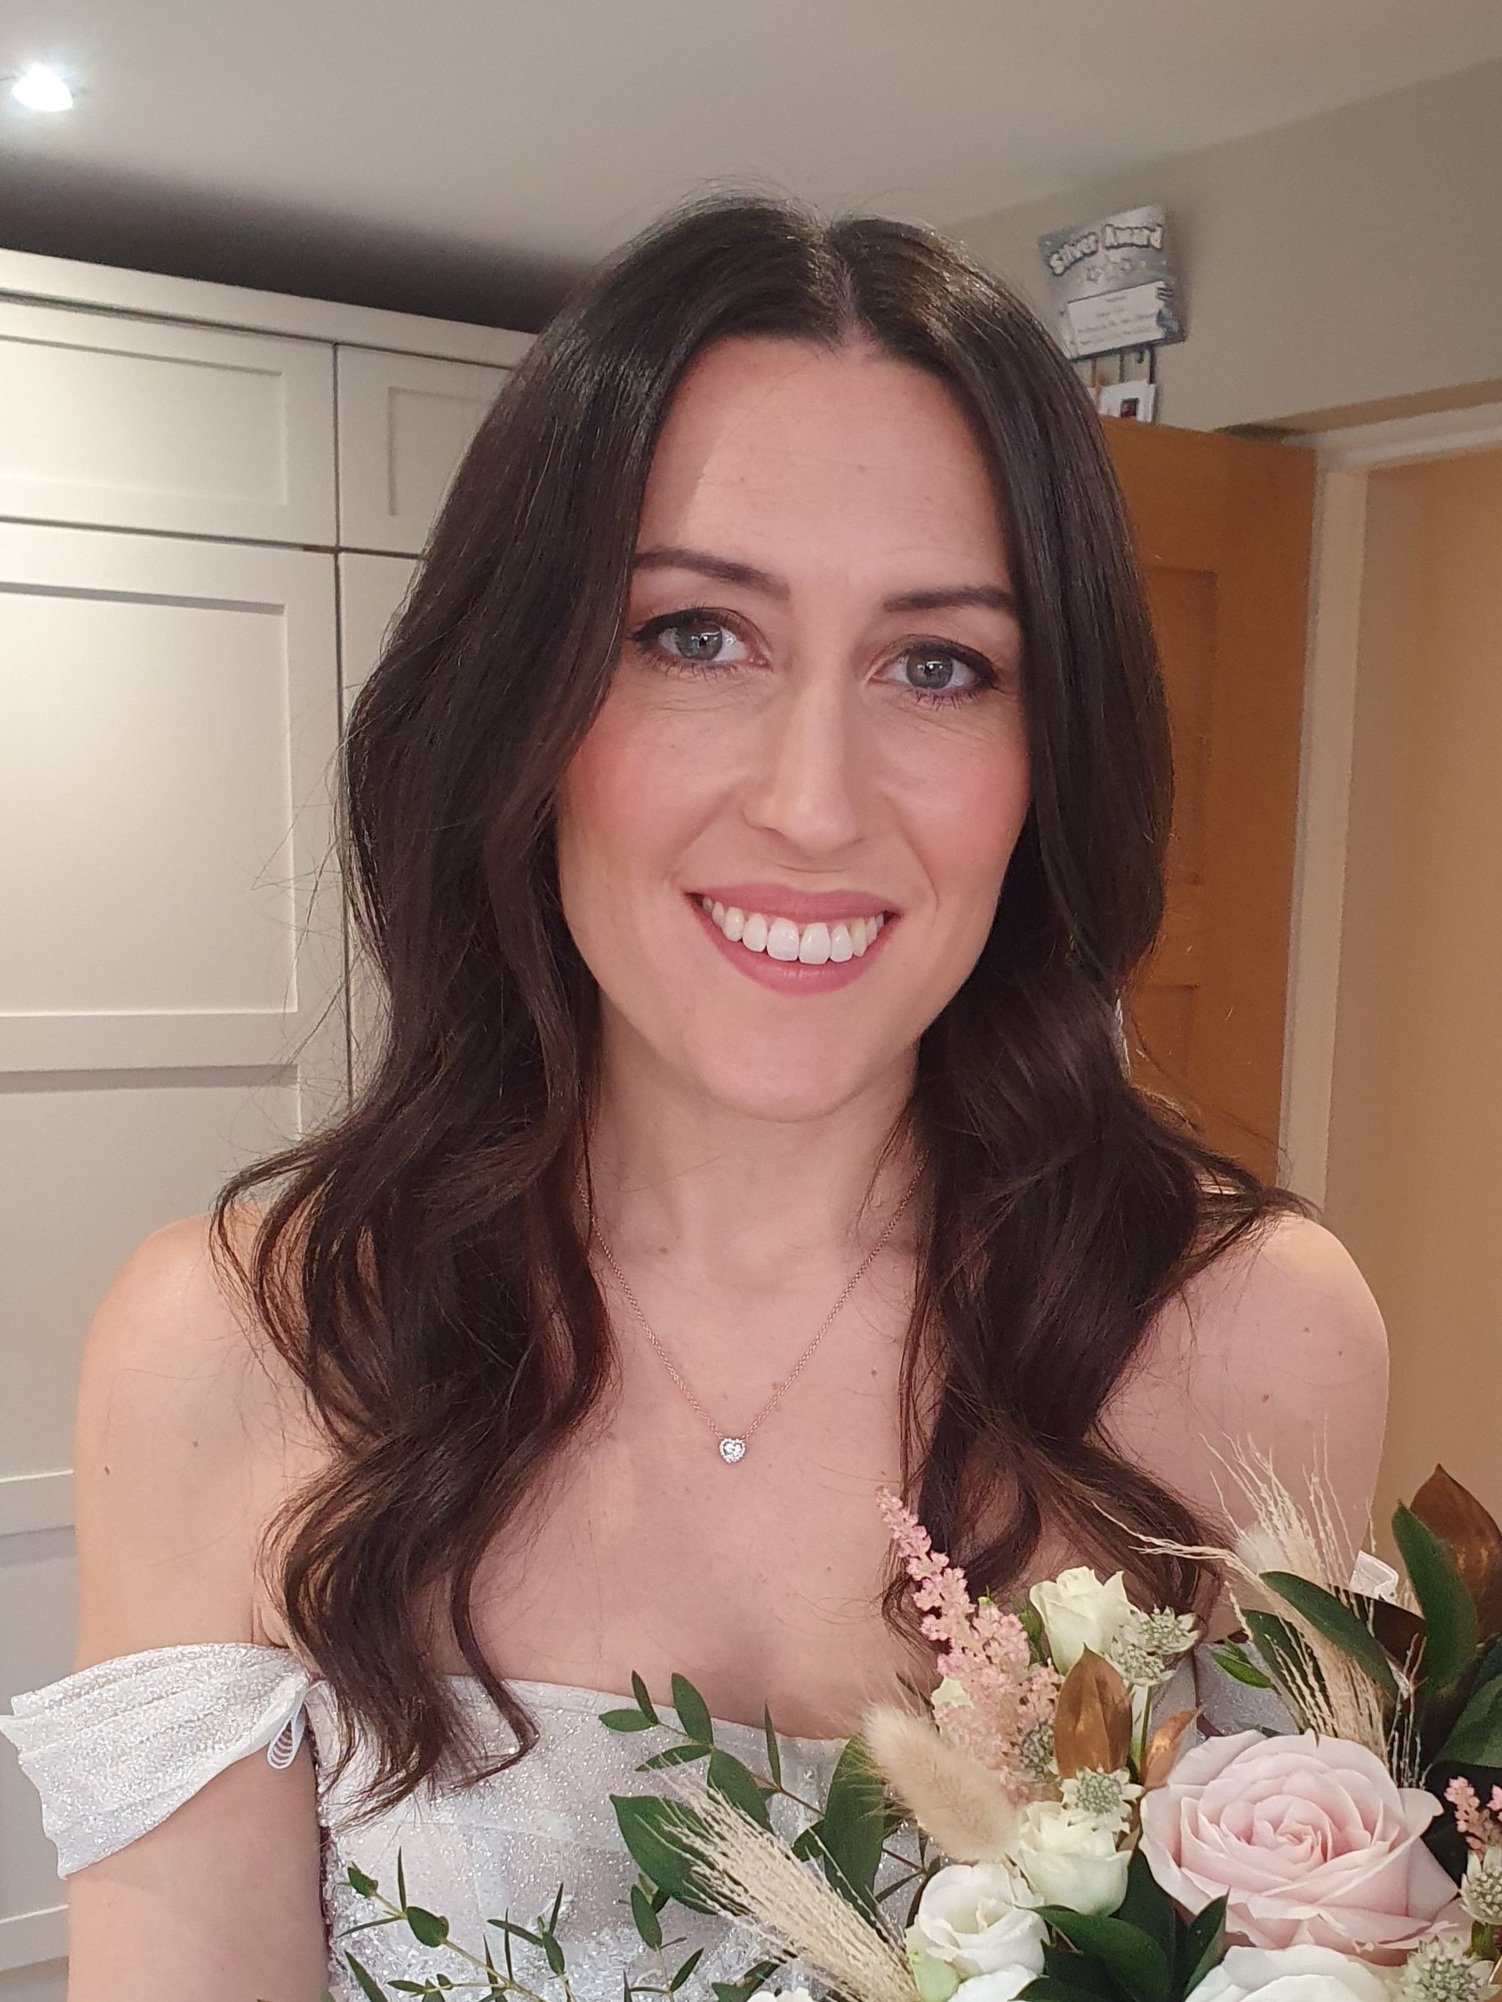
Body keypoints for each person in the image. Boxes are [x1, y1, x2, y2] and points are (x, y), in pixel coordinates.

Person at [1, 194, 1387, 2002]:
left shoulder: (1249, 1336)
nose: (814, 800)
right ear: (520, 698)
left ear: (1048, 763)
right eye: (693, 635)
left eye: (938, 663)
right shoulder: (242, 1342)